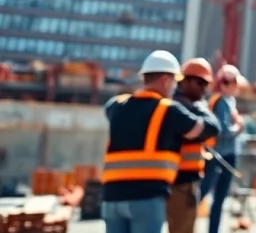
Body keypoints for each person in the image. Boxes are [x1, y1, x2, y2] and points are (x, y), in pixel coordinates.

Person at [102, 50, 220, 233]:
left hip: (112, 197)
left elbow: (114, 109)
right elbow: (207, 129)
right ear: (165, 80)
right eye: (174, 82)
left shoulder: (117, 105)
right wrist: (194, 107)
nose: (176, 88)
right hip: (146, 196)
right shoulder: (169, 110)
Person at [167, 58, 221, 233]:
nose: (204, 89)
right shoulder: (177, 108)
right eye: (200, 83)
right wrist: (200, 108)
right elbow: (213, 127)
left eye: (205, 84)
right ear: (184, 81)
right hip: (179, 182)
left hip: (177, 181)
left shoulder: (185, 106)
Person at [200, 64, 245, 233]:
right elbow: (223, 130)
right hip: (220, 156)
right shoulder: (221, 102)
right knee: (209, 195)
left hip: (222, 155)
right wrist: (239, 128)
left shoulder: (227, 102)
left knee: (217, 199)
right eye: (235, 83)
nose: (238, 87)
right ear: (226, 84)